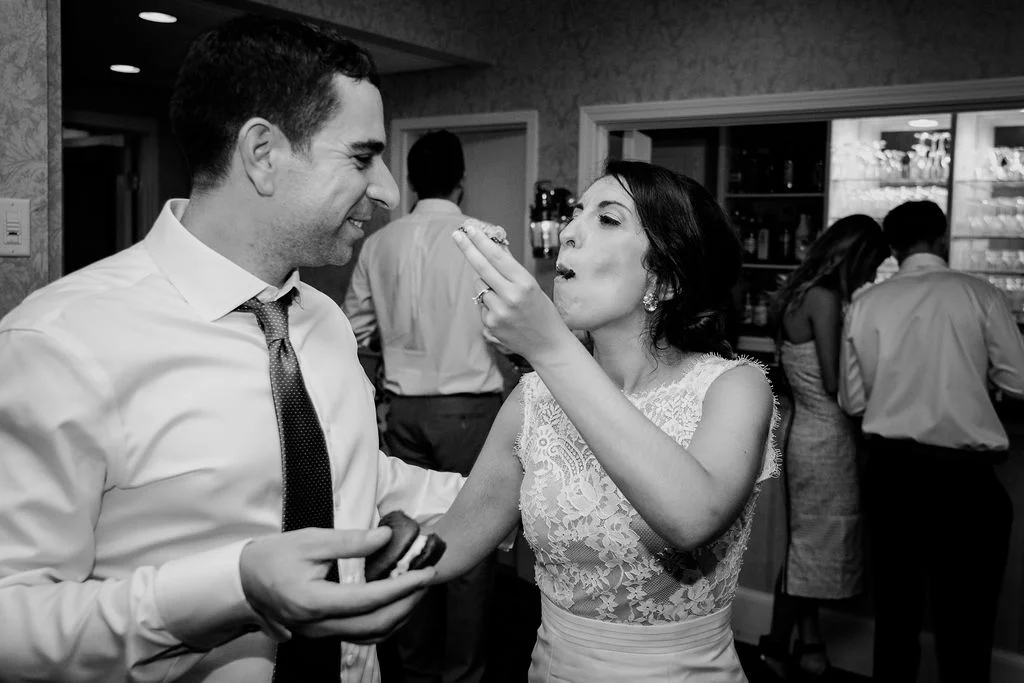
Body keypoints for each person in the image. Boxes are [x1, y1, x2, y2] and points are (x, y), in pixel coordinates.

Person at [0, 15, 464, 683]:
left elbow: (351, 478)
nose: (390, 191)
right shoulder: (61, 343)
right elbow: (12, 618)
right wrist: (230, 590)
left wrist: (544, 484)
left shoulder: (324, 321)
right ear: (263, 153)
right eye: (362, 157)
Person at [430, 160, 780, 680]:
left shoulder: (734, 387)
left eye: (608, 219)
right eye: (575, 214)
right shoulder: (533, 399)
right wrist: (343, 570)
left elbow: (691, 519)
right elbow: (453, 542)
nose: (568, 232)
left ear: (663, 278)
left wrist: (549, 347)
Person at [840, 200, 1024, 683]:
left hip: (891, 475)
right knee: (967, 622)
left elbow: (853, 401)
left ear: (892, 248)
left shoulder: (866, 303)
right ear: (943, 238)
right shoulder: (980, 294)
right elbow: (1020, 381)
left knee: (896, 616)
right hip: (965, 481)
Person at [343, 129, 502, 682]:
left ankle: (412, 672)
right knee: (470, 546)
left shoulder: (378, 243)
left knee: (406, 542)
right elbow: (505, 328)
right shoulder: (481, 239)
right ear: (462, 180)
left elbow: (353, 330)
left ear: (409, 179)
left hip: (402, 413)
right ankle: (463, 675)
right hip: (469, 411)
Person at [756, 215, 889, 681]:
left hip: (805, 430)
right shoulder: (825, 297)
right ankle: (775, 647)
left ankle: (808, 644)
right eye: (872, 264)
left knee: (807, 544)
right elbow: (836, 382)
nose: (872, 275)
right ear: (855, 257)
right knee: (812, 549)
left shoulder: (799, 292)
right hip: (826, 438)